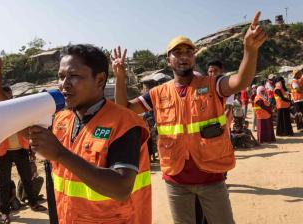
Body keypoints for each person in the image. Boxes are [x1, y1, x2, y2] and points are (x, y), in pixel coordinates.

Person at [113, 12, 266, 224]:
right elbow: (125, 108)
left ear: (193, 58)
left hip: (211, 178)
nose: (183, 56)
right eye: (177, 52)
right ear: (169, 60)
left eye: (188, 52)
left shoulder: (212, 85)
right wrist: (120, 78)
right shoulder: (158, 93)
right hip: (176, 182)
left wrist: (250, 51)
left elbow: (240, 82)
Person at [23, 44, 152, 223]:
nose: (64, 84)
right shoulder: (61, 119)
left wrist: (60, 154)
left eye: (74, 76)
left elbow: (121, 188)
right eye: (61, 77)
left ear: (100, 80)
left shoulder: (124, 123)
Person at [0, 59, 47, 223]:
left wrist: (32, 156)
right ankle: (5, 213)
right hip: (2, 153)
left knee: (27, 178)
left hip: (20, 150)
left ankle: (33, 203)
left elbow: (28, 134)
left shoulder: (20, 112)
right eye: (4, 96)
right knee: (3, 183)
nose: (8, 98)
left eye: (10, 96)